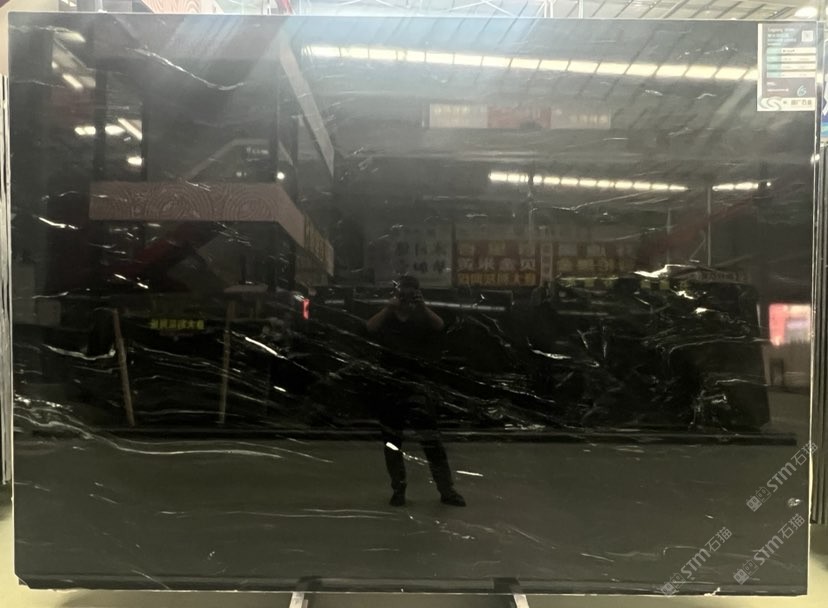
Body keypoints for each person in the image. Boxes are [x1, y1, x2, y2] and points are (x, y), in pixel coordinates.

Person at [366, 275, 466, 507]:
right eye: (403, 293)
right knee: (392, 442)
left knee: (431, 441)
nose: (406, 298)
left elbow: (440, 326)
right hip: (391, 386)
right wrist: (389, 308)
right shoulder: (388, 315)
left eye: (411, 293)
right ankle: (399, 489)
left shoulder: (422, 315)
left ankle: (446, 490)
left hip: (417, 386)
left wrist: (422, 306)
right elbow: (369, 327)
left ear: (418, 293)